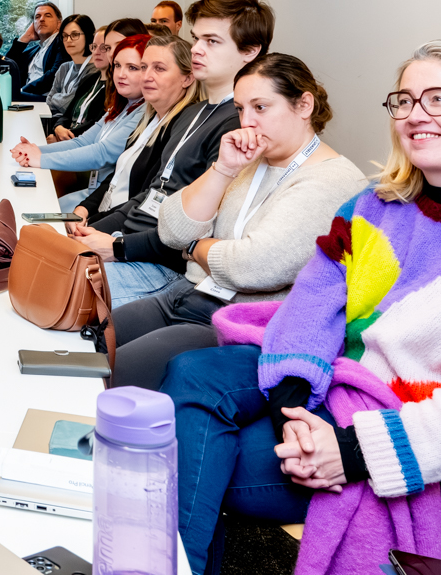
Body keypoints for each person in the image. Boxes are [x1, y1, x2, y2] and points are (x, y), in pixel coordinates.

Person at [162, 42, 441, 574]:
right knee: (191, 372)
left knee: (200, 460)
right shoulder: (372, 205)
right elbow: (312, 304)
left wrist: (350, 452)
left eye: (439, 99)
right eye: (404, 100)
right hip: (351, 393)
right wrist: (293, 409)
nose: (415, 114)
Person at [106, 55, 365, 390]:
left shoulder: (332, 180)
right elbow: (173, 231)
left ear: (304, 105)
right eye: (241, 109)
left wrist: (196, 247)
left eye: (260, 107)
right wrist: (223, 169)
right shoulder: (249, 162)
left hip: (240, 321)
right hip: (191, 294)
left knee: (111, 372)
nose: (247, 122)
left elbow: (253, 266)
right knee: (90, 338)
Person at [69, 35, 201, 306]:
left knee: (66, 283)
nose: (146, 76)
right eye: (143, 67)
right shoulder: (149, 119)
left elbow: (146, 201)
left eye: (158, 68)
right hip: (116, 225)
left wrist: (98, 230)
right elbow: (117, 177)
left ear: (188, 78)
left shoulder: (181, 128)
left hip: (137, 244)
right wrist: (85, 212)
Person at [13, 32, 149, 211]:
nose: (121, 74)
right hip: (92, 192)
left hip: (106, 203)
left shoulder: (144, 112)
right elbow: (82, 141)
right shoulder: (121, 106)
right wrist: (34, 151)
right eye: (117, 65)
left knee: (37, 208)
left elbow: (101, 153)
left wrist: (40, 158)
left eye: (132, 68)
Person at [48, 18, 149, 142]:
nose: (111, 53)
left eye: (104, 48)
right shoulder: (90, 79)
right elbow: (69, 116)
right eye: (108, 47)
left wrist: (61, 140)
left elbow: (98, 146)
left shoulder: (124, 92)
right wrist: (58, 128)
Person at [5, 1, 70, 98]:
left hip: (46, 99)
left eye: (48, 16)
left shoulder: (62, 43)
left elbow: (55, 74)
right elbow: (7, 66)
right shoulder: (34, 50)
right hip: (26, 97)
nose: (42, 19)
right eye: (37, 17)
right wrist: (26, 37)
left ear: (58, 24)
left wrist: (22, 91)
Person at [42, 13, 97, 115]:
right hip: (56, 121)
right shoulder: (64, 67)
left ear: (88, 35)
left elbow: (73, 106)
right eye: (65, 36)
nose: (68, 40)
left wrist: (55, 97)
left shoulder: (95, 70)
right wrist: (59, 99)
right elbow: (49, 101)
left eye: (75, 35)